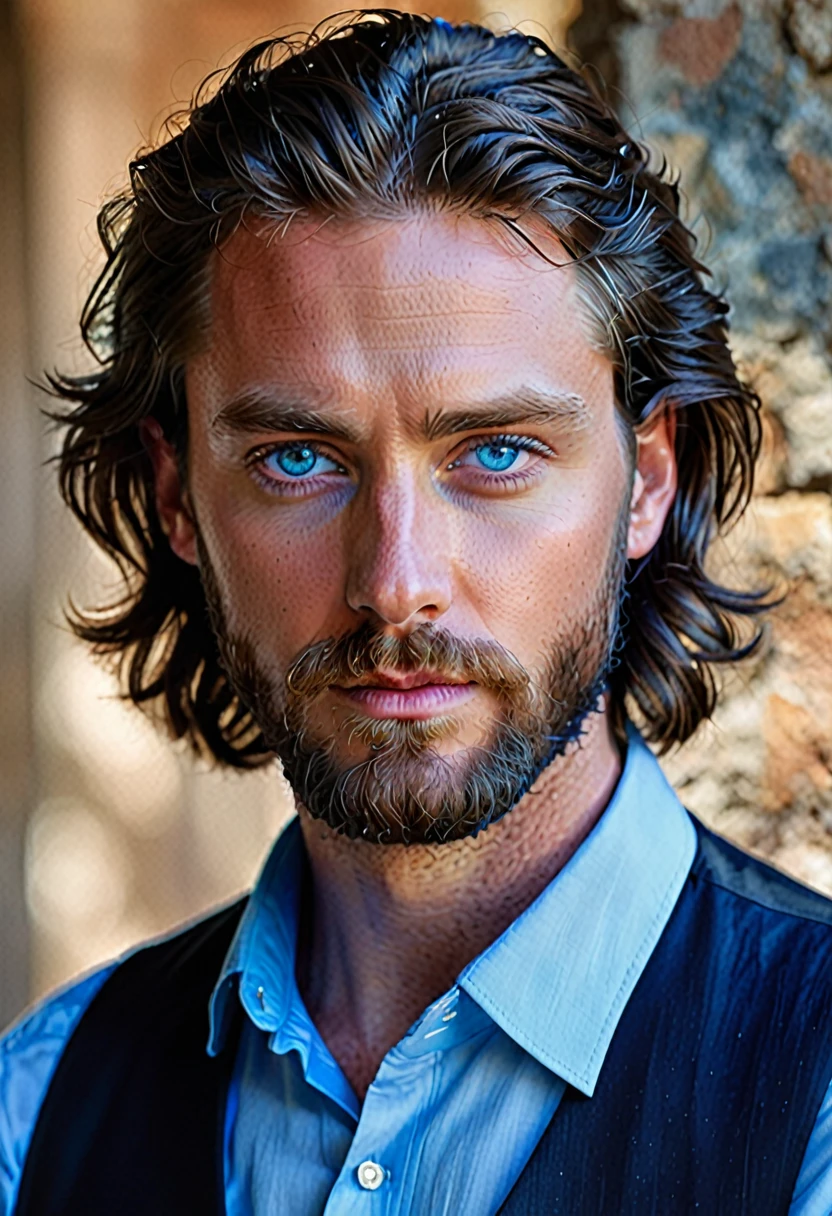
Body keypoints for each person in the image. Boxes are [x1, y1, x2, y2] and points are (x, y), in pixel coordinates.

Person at [2, 10, 832, 1214]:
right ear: (179, 495)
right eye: (298, 459)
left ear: (646, 477)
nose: (395, 581)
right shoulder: (41, 1109)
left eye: (494, 450)